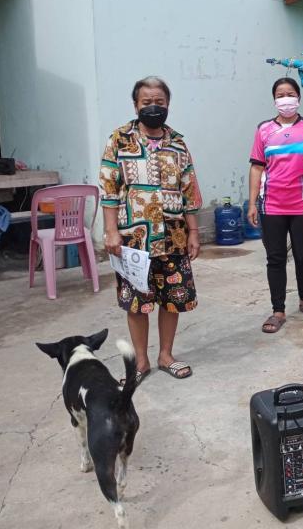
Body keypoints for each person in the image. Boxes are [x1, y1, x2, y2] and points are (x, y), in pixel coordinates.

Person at [100, 76, 202, 383]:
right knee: (136, 302)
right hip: (134, 238)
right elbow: (108, 189)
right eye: (147, 102)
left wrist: (194, 232)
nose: (153, 107)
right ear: (136, 105)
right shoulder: (119, 140)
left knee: (173, 297)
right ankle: (141, 362)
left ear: (168, 104)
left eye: (159, 102)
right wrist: (110, 231)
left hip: (173, 236)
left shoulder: (178, 143)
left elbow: (189, 191)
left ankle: (165, 355)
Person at [247, 78, 303, 333]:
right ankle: (278, 311)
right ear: (274, 100)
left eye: (290, 94)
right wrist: (252, 203)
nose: (286, 99)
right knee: (275, 258)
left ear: (298, 98)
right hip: (271, 205)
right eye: (280, 95)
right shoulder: (264, 130)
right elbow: (257, 167)